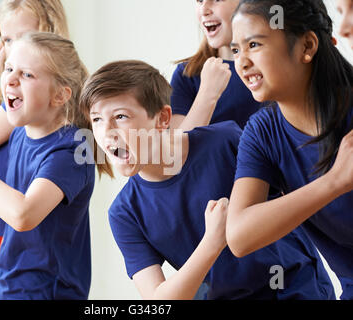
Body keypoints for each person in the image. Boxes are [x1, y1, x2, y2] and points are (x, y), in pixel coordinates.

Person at [79, 59, 335, 299]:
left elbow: (297, 194)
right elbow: (159, 300)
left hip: (296, 287)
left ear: (163, 118)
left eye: (120, 117)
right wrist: (212, 242)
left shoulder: (226, 140)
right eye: (97, 120)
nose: (106, 132)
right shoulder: (124, 213)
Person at [226, 0, 353, 300]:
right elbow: (239, 235)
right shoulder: (261, 134)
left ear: (306, 46)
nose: (241, 62)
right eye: (235, 50)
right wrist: (333, 182)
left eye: (254, 44)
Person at [0, 32, 95, 300]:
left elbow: (23, 215)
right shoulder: (20, 132)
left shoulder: (72, 151)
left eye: (27, 75)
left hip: (46, 293)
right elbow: (13, 232)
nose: (9, 79)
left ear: (59, 96)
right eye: (9, 68)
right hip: (6, 287)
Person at [170, 0, 262, 131]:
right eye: (200, 1)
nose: (204, 10)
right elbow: (175, 148)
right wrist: (207, 94)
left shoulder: (273, 68)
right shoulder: (187, 74)